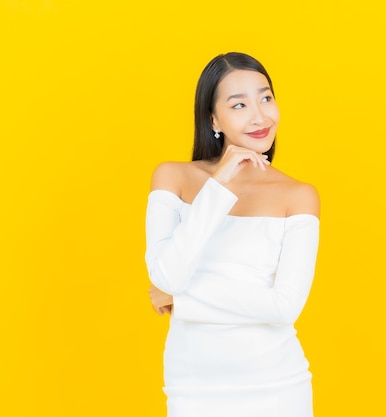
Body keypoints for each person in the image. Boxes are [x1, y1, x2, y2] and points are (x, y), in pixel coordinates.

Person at [144, 52, 320, 417]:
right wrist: (219, 183)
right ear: (213, 119)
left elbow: (284, 307)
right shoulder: (172, 178)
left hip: (276, 385)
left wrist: (184, 301)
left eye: (266, 98)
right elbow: (167, 275)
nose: (259, 116)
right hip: (193, 385)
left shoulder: (299, 196)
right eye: (239, 104)